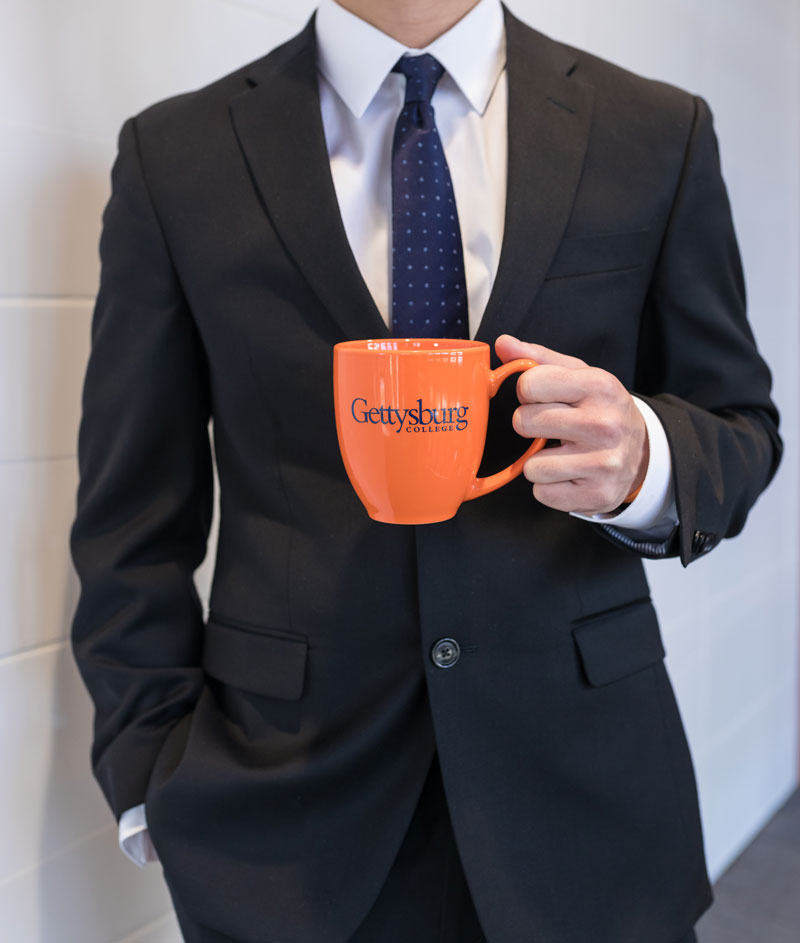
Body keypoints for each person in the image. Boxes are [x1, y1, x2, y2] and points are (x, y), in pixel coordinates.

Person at [69, 0, 781, 941]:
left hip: (587, 808)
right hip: (283, 824)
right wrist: (149, 777)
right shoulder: (177, 155)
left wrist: (645, 455)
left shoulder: (654, 129)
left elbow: (740, 426)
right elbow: (131, 513)